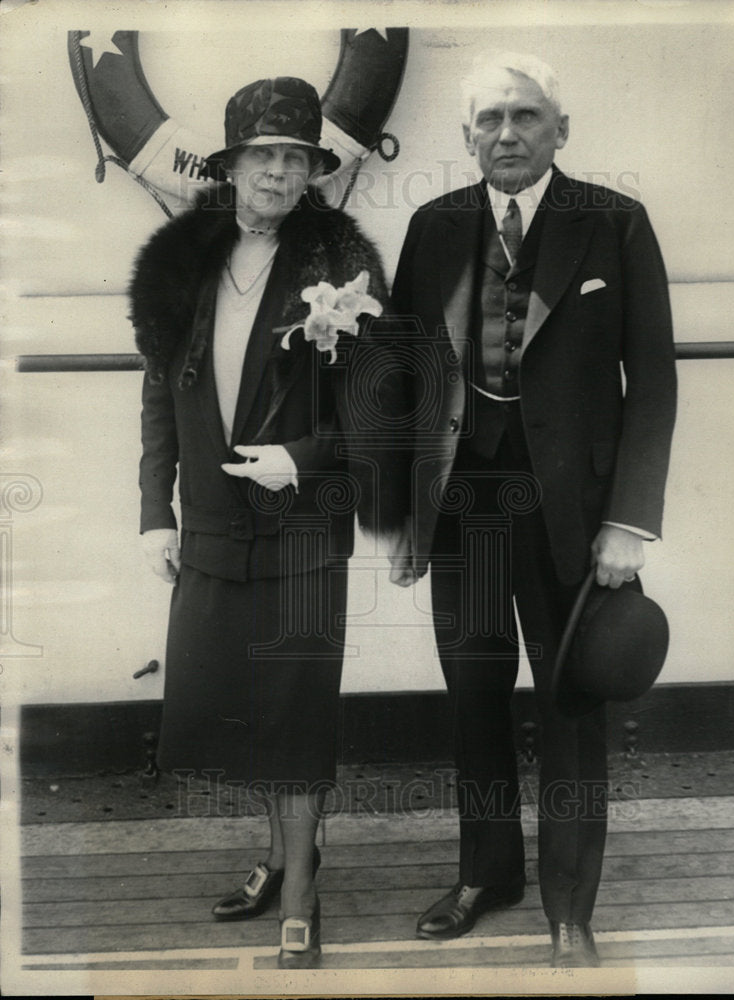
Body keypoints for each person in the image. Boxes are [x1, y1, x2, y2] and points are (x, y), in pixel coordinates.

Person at [387, 51, 677, 967]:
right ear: (466, 134)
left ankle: (568, 907)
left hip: (575, 517)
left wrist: (628, 521)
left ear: (560, 129)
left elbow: (653, 382)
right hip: (462, 505)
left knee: (569, 706)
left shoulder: (614, 222)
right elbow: (402, 378)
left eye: (524, 116)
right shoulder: (435, 226)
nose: (505, 134)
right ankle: (486, 875)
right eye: (489, 119)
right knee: (473, 698)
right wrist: (402, 515)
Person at [129, 76, 404, 970]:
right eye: (262, 156)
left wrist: (304, 459)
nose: (278, 172)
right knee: (238, 710)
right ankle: (283, 853)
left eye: (295, 157)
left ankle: (299, 897)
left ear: (312, 170)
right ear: (231, 165)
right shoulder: (184, 261)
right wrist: (155, 514)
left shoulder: (342, 264)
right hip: (213, 523)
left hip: (302, 528)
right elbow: (159, 396)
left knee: (293, 713)